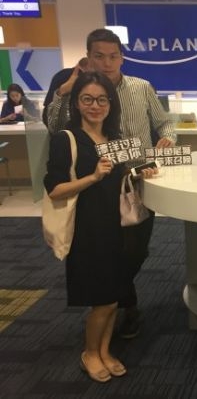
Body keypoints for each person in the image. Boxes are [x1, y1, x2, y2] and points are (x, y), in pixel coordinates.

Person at [46, 28, 177, 339]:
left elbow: (165, 123)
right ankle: (124, 306)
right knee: (110, 250)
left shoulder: (141, 87)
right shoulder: (82, 92)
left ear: (122, 57)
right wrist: (64, 92)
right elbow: (55, 127)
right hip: (99, 186)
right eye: (99, 56)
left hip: (139, 180)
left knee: (136, 250)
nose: (107, 63)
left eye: (113, 56)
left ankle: (114, 297)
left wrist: (168, 138)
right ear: (88, 58)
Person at [44, 71, 157, 383]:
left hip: (116, 227)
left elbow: (117, 179)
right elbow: (55, 190)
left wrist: (138, 173)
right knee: (103, 300)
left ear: (110, 103)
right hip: (87, 230)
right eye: (88, 99)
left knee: (114, 295)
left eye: (102, 100)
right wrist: (92, 177)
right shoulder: (66, 139)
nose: (95, 106)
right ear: (77, 103)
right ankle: (90, 353)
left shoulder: (114, 138)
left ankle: (105, 351)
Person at [42, 57, 90, 126]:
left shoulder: (62, 73)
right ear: (87, 66)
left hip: (49, 113)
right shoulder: (76, 77)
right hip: (58, 117)